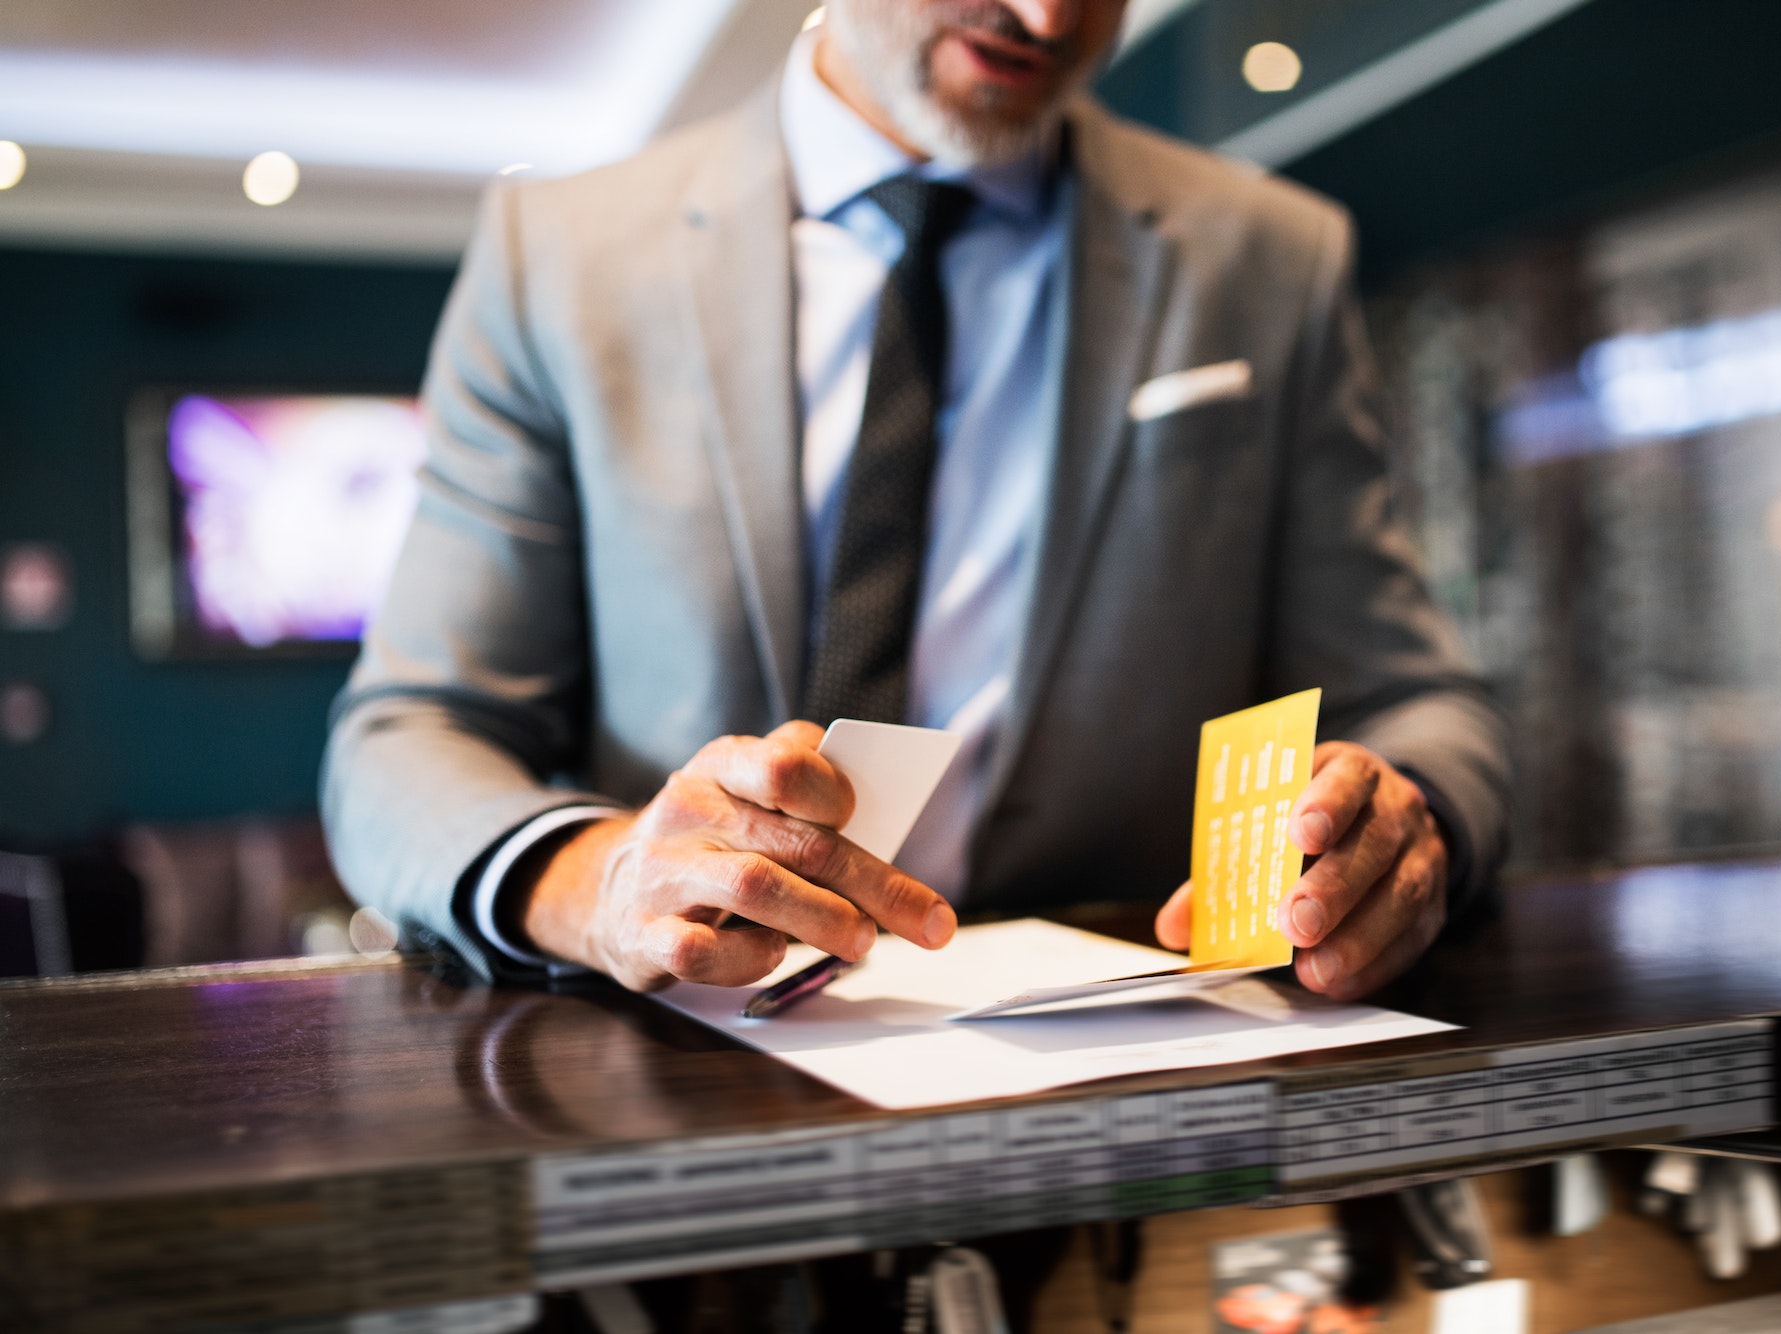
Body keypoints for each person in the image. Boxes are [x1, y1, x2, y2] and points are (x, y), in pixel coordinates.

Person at [320, 0, 1508, 1008]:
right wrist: (600, 881)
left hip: (1113, 1083)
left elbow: (1413, 698)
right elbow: (407, 738)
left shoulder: (1267, 258)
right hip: (682, 1069)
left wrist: (1417, 825)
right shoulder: (560, 258)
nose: (1049, 19)